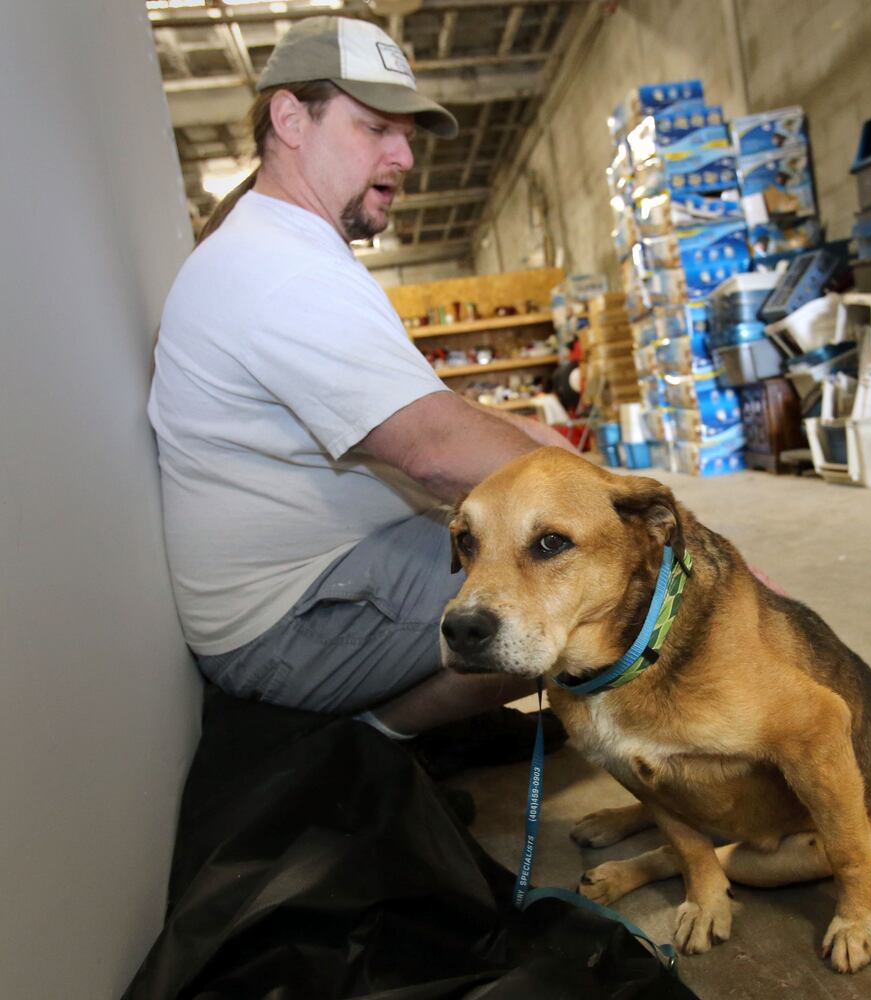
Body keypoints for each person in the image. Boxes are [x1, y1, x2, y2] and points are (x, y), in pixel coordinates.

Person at [148, 15, 570, 740]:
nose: (404, 155)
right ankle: (370, 743)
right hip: (295, 623)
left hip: (326, 580)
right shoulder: (278, 269)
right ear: (290, 120)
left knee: (548, 539)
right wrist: (637, 521)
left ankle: (396, 735)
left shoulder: (282, 246)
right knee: (592, 590)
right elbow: (434, 451)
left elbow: (424, 412)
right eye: (375, 128)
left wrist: (532, 438)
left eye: (405, 134)